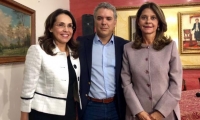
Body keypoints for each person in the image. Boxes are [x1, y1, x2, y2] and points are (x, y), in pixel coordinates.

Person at [121, 2, 182, 120]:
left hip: (166, 114)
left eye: (153, 18)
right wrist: (139, 112)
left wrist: (160, 113)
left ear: (158, 22)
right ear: (138, 22)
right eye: (144, 17)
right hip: (137, 115)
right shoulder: (128, 49)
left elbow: (176, 85)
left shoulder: (170, 47)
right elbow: (126, 84)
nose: (148, 21)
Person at [20, 9, 81, 120]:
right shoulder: (37, 50)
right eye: (61, 25)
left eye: (70, 26)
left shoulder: (74, 53)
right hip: (44, 113)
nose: (66, 30)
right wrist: (24, 115)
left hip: (69, 110)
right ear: (50, 28)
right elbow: (28, 88)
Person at [77, 2, 128, 120]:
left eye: (108, 19)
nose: (104, 22)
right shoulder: (81, 43)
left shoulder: (124, 45)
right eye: (99, 18)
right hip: (90, 107)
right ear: (95, 21)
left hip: (117, 106)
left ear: (115, 22)